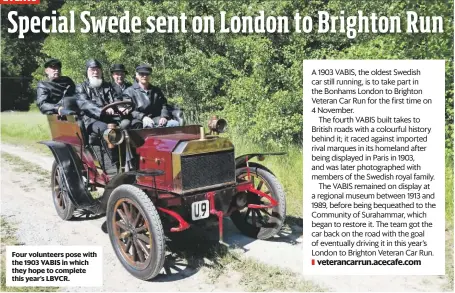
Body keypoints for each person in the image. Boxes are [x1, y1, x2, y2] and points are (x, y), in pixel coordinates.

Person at [75, 59, 128, 136]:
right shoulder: (80, 87)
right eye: (92, 70)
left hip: (111, 118)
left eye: (98, 69)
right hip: (91, 120)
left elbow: (115, 98)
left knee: (129, 124)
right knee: (109, 131)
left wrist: (120, 107)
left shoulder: (108, 86)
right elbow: (86, 104)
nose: (95, 72)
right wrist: (103, 110)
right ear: (87, 72)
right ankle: (111, 148)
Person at [122, 64, 179, 128]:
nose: (144, 76)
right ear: (137, 75)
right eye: (142, 74)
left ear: (150, 76)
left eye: (147, 74)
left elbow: (164, 105)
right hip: (138, 120)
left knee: (174, 124)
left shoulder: (156, 90)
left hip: (155, 118)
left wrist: (164, 117)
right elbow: (129, 110)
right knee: (140, 126)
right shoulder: (129, 91)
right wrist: (143, 117)